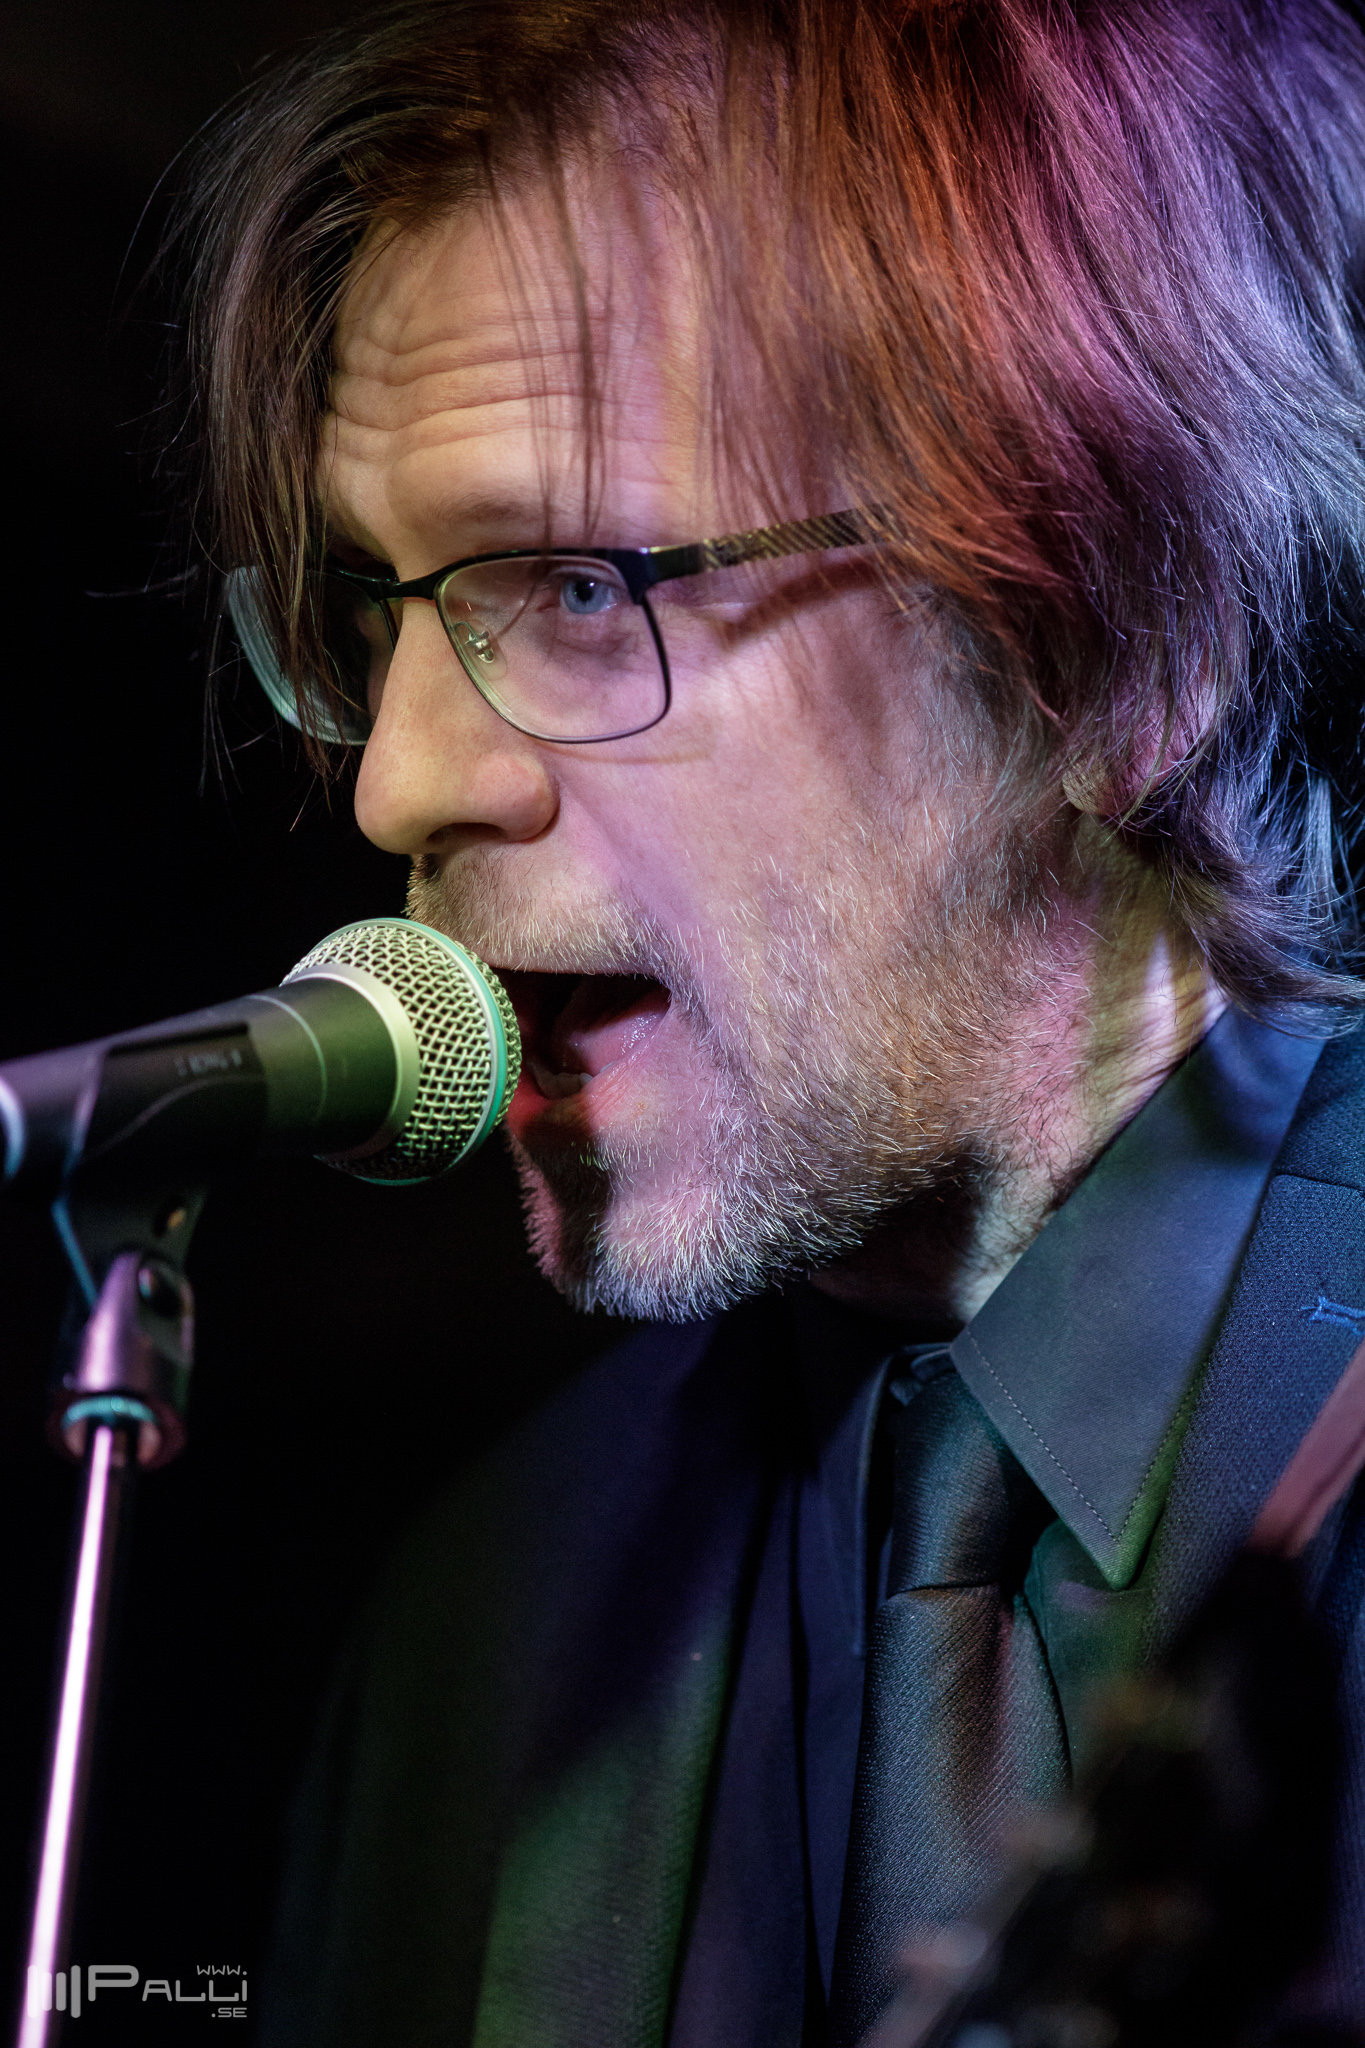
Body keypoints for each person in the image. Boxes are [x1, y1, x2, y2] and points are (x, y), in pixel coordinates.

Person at [168, 0, 1365, 2039]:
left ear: (1116, 632)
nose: (397, 781)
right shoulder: (476, 1633)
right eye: (376, 608)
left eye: (574, 586)